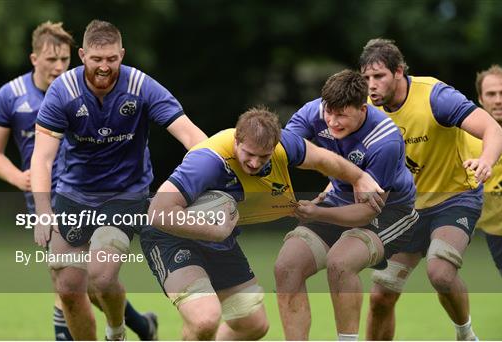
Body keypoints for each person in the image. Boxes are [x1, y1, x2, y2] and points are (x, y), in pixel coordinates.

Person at [30, 19, 207, 340]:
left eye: (111, 59)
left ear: (122, 54)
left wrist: (206, 176)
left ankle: (116, 332)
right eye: (97, 59)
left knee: (100, 275)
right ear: (82, 55)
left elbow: (192, 136)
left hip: (125, 196)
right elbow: (42, 158)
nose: (104, 67)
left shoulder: (141, 87)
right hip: (74, 196)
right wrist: (44, 211)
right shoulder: (62, 92)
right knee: (69, 288)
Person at [142, 106, 385, 340]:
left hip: (217, 236)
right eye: (249, 154)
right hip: (171, 235)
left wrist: (359, 177)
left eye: (263, 156)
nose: (255, 163)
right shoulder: (208, 162)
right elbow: (158, 212)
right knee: (205, 320)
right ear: (237, 141)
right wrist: (214, 231)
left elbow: (323, 160)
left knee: (252, 325)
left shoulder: (284, 145)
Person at [359, 38, 502, 340]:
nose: (371, 85)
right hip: (406, 210)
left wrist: (487, 161)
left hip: (455, 198)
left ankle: (466, 334)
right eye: (366, 78)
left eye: (378, 76)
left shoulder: (435, 98)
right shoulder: (367, 114)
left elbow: (491, 128)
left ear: (399, 72)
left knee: (440, 272)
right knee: (380, 297)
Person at [274, 69, 417, 341]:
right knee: (286, 266)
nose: (332, 121)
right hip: (339, 198)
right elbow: (284, 148)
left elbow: (366, 210)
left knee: (340, 262)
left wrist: (316, 212)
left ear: (363, 109)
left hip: (389, 212)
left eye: (341, 115)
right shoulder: (314, 112)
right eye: (329, 112)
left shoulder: (385, 140)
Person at [466, 65, 502, 294]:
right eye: (491, 94)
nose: (498, 100)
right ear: (480, 98)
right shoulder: (466, 136)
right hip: (498, 233)